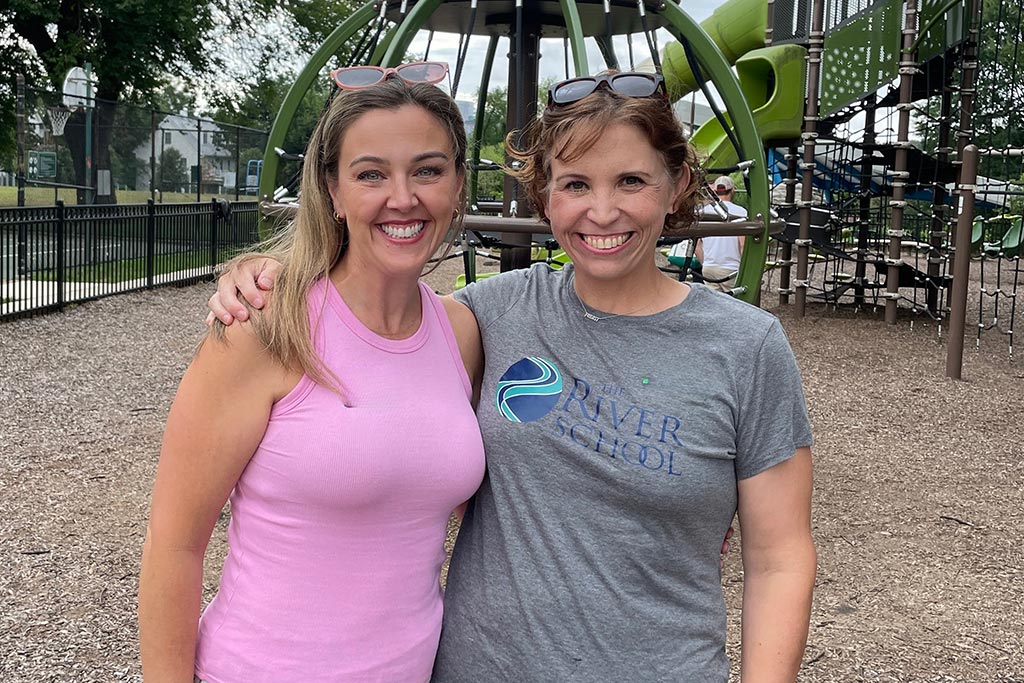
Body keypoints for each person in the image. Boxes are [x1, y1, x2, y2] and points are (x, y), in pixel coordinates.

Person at [211, 70, 816, 682]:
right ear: (544, 194)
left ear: (677, 183)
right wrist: (274, 274)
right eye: (575, 184)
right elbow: (370, 318)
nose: (602, 211)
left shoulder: (746, 348)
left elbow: (779, 558)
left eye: (631, 181)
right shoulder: (493, 315)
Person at [138, 64, 487, 682]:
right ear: (332, 191)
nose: (402, 198)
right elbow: (175, 545)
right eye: (371, 174)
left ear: (458, 184)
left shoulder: (461, 333)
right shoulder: (265, 326)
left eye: (427, 170)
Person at [697, 174, 749, 292]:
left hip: (709, 267)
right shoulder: (741, 212)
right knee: (734, 300)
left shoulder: (703, 212)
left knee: (713, 301)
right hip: (731, 268)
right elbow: (743, 244)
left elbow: (697, 245)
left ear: (714, 191)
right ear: (732, 190)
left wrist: (705, 263)